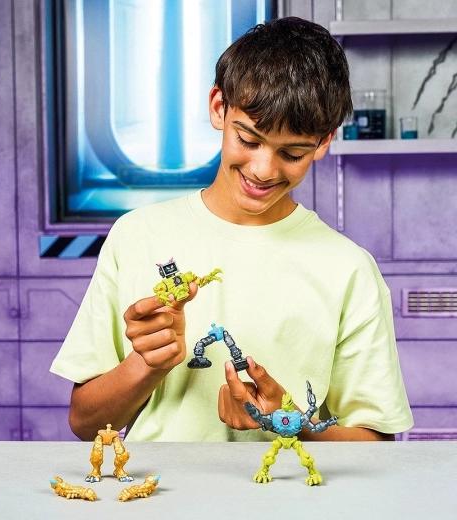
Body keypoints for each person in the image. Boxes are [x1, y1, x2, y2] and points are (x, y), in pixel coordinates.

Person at [50, 16, 413, 442]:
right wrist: (145, 364)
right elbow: (85, 423)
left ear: (324, 141)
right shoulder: (135, 235)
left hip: (285, 487)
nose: (263, 170)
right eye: (249, 140)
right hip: (159, 487)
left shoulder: (349, 269)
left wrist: (290, 423)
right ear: (219, 107)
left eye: (292, 153)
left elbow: (375, 443)